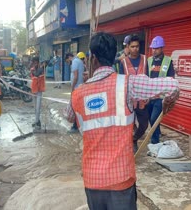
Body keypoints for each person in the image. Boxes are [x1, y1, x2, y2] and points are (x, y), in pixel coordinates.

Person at [66, 32, 179, 210]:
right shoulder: (127, 84)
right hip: (121, 179)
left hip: (92, 180)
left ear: (92, 58)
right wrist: (168, 102)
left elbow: (69, 116)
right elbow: (173, 86)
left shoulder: (78, 93)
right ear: (115, 56)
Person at [118, 34, 149, 152]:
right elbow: (121, 80)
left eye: (137, 46)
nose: (135, 49)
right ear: (128, 47)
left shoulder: (145, 59)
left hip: (142, 99)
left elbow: (148, 78)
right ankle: (129, 145)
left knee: (144, 125)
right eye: (132, 46)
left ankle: (134, 139)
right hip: (129, 100)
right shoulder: (123, 62)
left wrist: (148, 96)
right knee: (128, 125)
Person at [147, 36, 175, 144]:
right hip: (150, 96)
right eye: (153, 48)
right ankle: (157, 132)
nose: (154, 50)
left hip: (160, 97)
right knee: (151, 119)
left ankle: (155, 142)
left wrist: (169, 95)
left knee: (154, 119)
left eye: (157, 48)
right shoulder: (149, 61)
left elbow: (171, 78)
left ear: (162, 48)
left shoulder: (168, 61)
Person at [65, 52, 84, 133]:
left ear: (69, 57)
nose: (68, 63)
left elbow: (75, 76)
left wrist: (72, 87)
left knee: (75, 107)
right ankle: (78, 125)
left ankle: (75, 126)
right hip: (80, 87)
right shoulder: (79, 61)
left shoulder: (75, 62)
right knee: (78, 107)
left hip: (76, 88)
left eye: (67, 61)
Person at [30, 57, 45, 130]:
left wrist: (42, 66)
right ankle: (37, 121)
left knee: (38, 107)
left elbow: (40, 73)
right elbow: (36, 74)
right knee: (35, 108)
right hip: (33, 90)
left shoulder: (42, 69)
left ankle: (37, 122)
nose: (35, 64)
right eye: (34, 62)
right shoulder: (33, 70)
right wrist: (40, 67)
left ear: (38, 62)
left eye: (36, 62)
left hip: (39, 91)